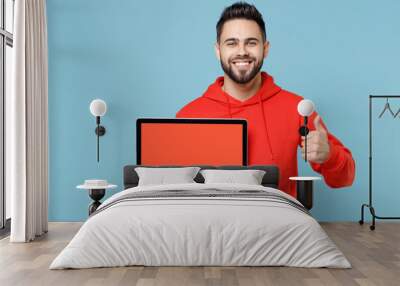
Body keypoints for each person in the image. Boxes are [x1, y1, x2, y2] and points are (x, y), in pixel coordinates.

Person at [176, 2, 355, 198]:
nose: (242, 51)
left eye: (251, 42)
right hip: (211, 225)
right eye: (232, 43)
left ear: (265, 48)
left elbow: (345, 178)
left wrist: (329, 155)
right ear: (218, 50)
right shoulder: (189, 115)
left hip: (279, 225)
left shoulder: (297, 109)